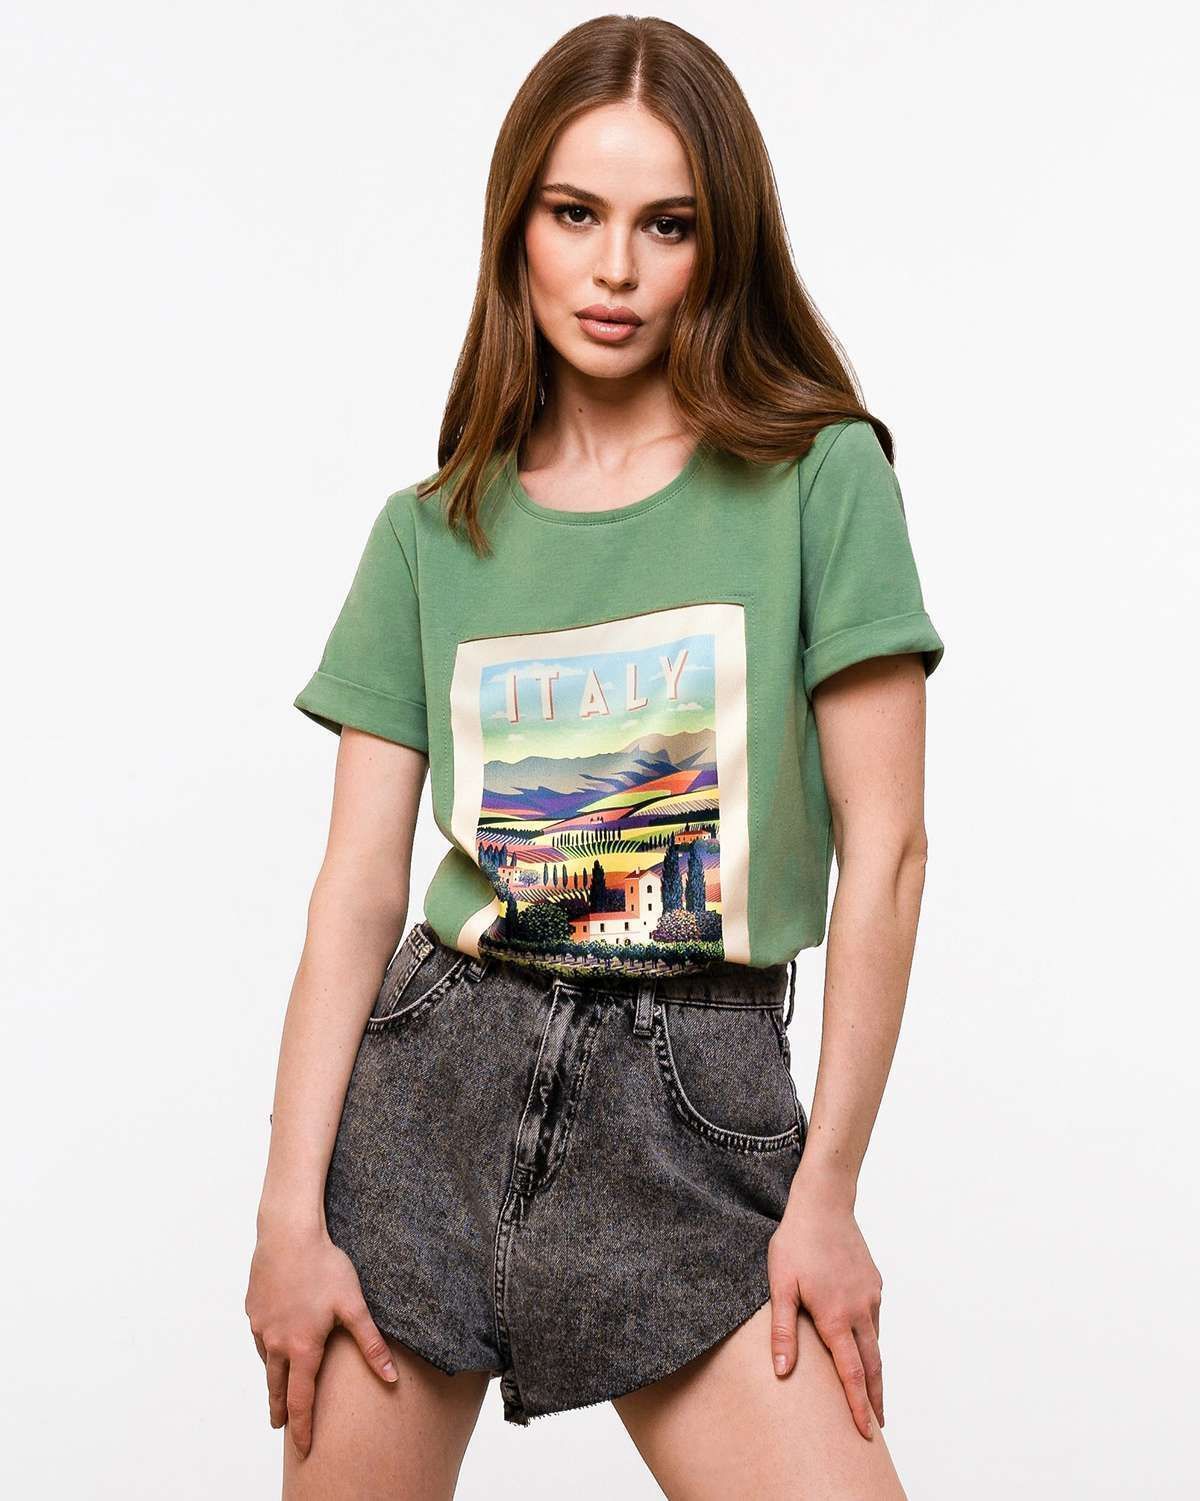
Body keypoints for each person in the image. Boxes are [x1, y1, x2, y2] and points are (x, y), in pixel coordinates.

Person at [246, 15, 944, 1499]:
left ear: (720, 243)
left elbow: (887, 852)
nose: (614, 268)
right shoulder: (429, 533)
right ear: (519, 227)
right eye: (576, 214)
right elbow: (356, 890)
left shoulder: (819, 480)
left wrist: (828, 1188)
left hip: (696, 1107)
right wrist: (286, 1218)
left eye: (665, 225)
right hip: (430, 1097)